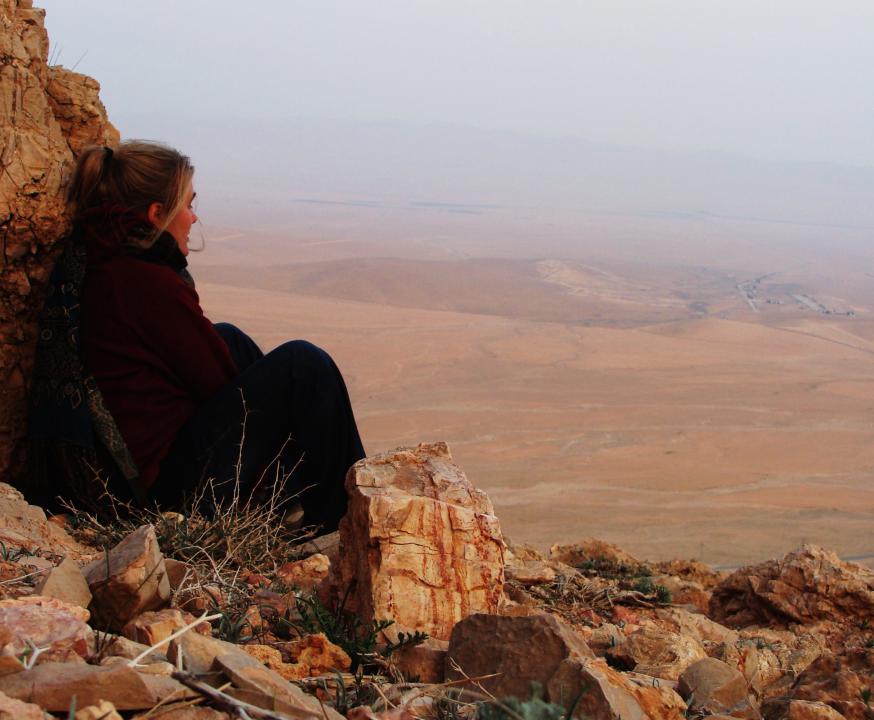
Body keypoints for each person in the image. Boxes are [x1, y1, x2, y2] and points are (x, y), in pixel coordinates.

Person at [27, 140, 365, 531]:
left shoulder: (110, 266)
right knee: (303, 366)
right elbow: (219, 384)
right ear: (157, 215)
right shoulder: (144, 282)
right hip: (169, 495)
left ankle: (298, 493)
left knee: (228, 337)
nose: (193, 218)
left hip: (149, 478)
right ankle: (343, 517)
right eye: (188, 205)